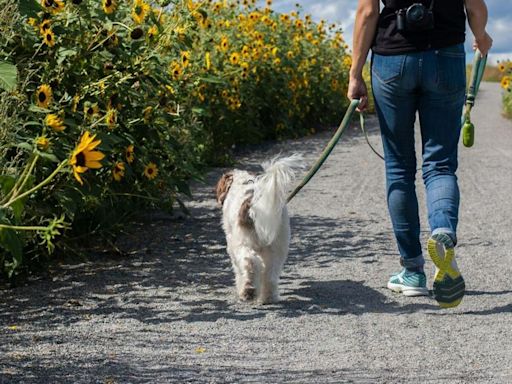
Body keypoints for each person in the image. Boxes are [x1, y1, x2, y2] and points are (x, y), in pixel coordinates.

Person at [348, 0, 493, 308]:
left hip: (391, 59)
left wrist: (355, 73)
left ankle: (413, 270)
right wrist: (481, 35)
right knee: (440, 165)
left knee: (399, 167)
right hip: (446, 55)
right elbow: (475, 6)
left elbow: (367, 12)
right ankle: (442, 230)